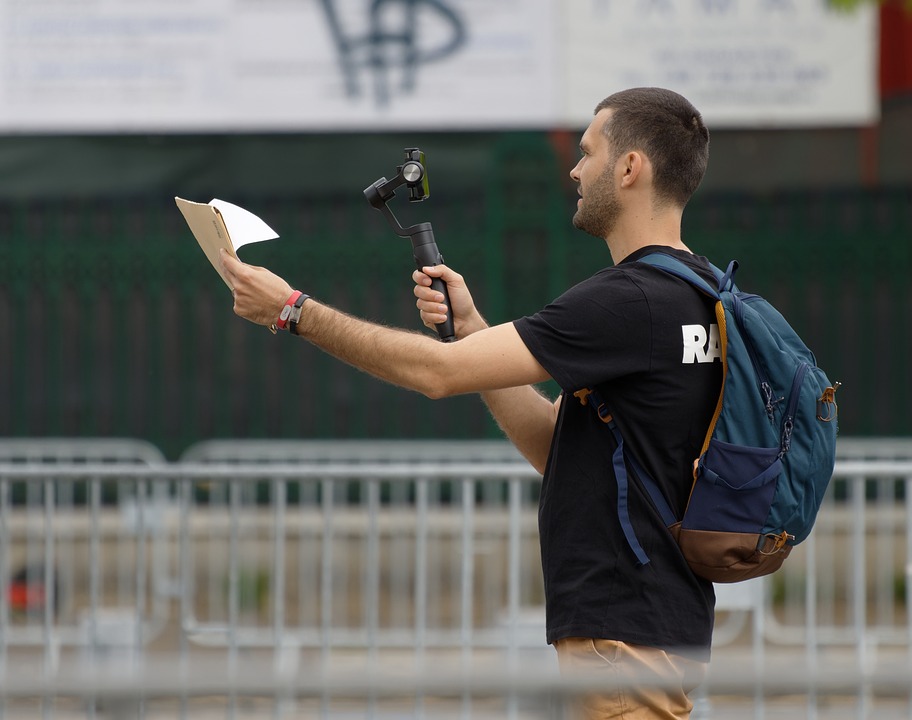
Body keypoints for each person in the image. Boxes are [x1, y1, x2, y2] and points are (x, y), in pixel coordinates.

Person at [220, 87, 721, 719]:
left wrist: (293, 311)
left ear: (629, 169)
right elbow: (561, 448)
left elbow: (435, 375)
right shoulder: (700, 293)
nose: (574, 168)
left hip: (624, 632)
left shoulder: (627, 301)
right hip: (660, 622)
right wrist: (474, 332)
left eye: (588, 152)